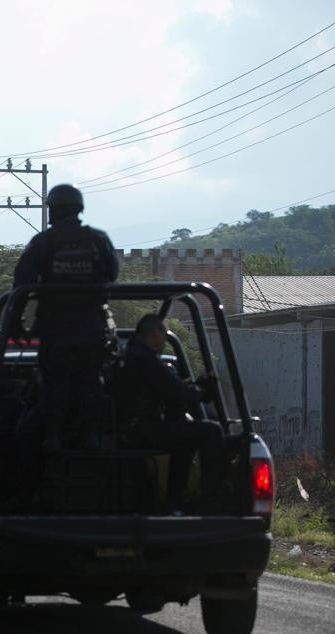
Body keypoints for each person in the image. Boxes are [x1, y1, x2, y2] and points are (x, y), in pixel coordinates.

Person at [13, 184, 119, 452]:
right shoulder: (98, 240)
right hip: (92, 329)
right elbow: (112, 274)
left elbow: (22, 283)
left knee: (54, 382)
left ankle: (53, 436)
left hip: (55, 330)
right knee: (91, 379)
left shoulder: (43, 242)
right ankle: (90, 435)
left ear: (54, 210)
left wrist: (15, 321)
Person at [115, 314, 223, 513]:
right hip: (142, 430)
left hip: (134, 429)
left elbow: (167, 389)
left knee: (184, 438)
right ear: (155, 332)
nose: (164, 342)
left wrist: (190, 389)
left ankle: (174, 500)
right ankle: (211, 497)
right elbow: (175, 392)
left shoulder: (131, 354)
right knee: (212, 431)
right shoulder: (143, 357)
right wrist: (200, 387)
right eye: (163, 336)